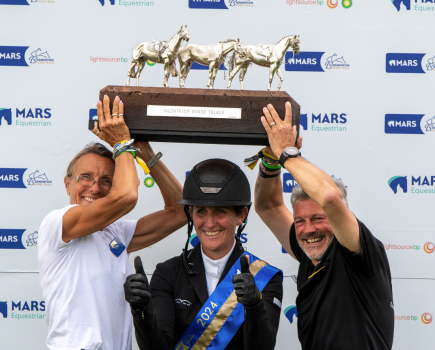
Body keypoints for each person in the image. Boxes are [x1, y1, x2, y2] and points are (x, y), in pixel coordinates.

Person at [38, 95, 186, 350]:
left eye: (107, 180)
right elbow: (127, 195)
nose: (95, 188)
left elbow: (181, 210)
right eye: (85, 177)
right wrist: (120, 143)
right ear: (67, 184)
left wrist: (145, 152)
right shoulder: (57, 222)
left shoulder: (117, 231)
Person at [254, 102, 394, 350]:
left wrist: (287, 152)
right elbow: (269, 207)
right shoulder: (310, 255)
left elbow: (329, 197)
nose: (308, 230)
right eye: (300, 221)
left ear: (340, 216)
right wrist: (271, 160)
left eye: (318, 218)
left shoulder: (355, 252)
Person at [124, 159, 283, 350]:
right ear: (190, 213)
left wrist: (254, 305)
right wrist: (141, 310)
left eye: (220, 212)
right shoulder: (167, 273)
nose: (209, 223)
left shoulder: (264, 277)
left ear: (241, 215)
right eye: (201, 211)